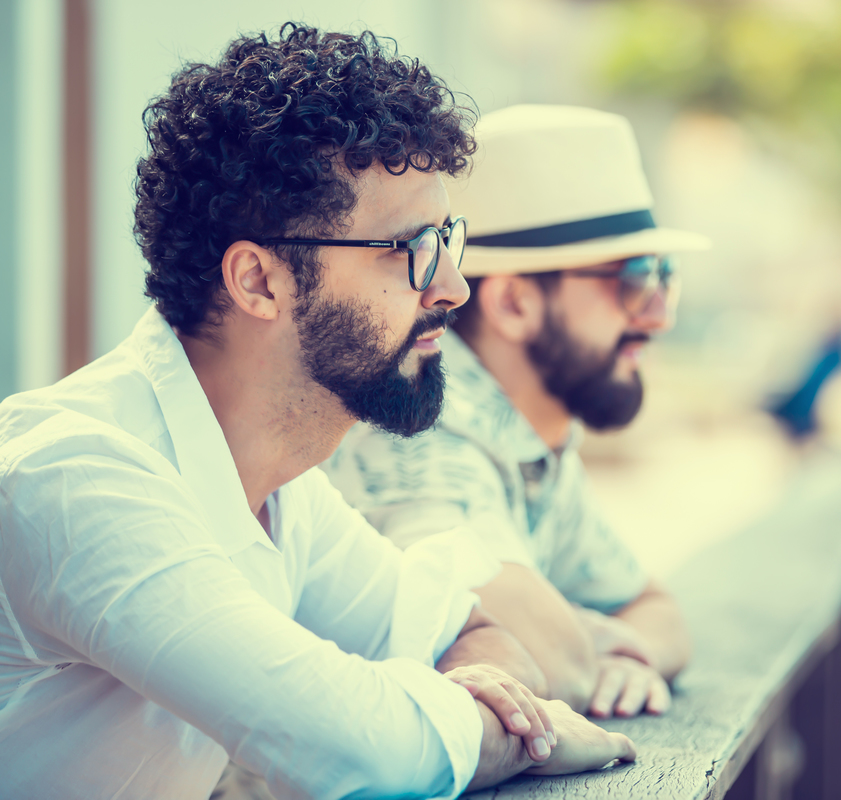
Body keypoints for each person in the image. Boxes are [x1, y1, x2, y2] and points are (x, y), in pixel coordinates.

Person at [0, 28, 633, 800]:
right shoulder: (74, 477)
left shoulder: (279, 485)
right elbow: (359, 750)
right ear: (259, 280)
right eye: (409, 248)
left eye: (447, 240)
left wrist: (476, 700)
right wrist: (517, 731)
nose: (453, 288)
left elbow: (474, 635)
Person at [325, 104, 708, 719]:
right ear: (514, 303)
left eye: (666, 274)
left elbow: (658, 612)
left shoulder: (531, 440)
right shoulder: (423, 432)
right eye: (633, 277)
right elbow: (538, 651)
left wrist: (617, 656)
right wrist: (587, 651)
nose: (658, 314)